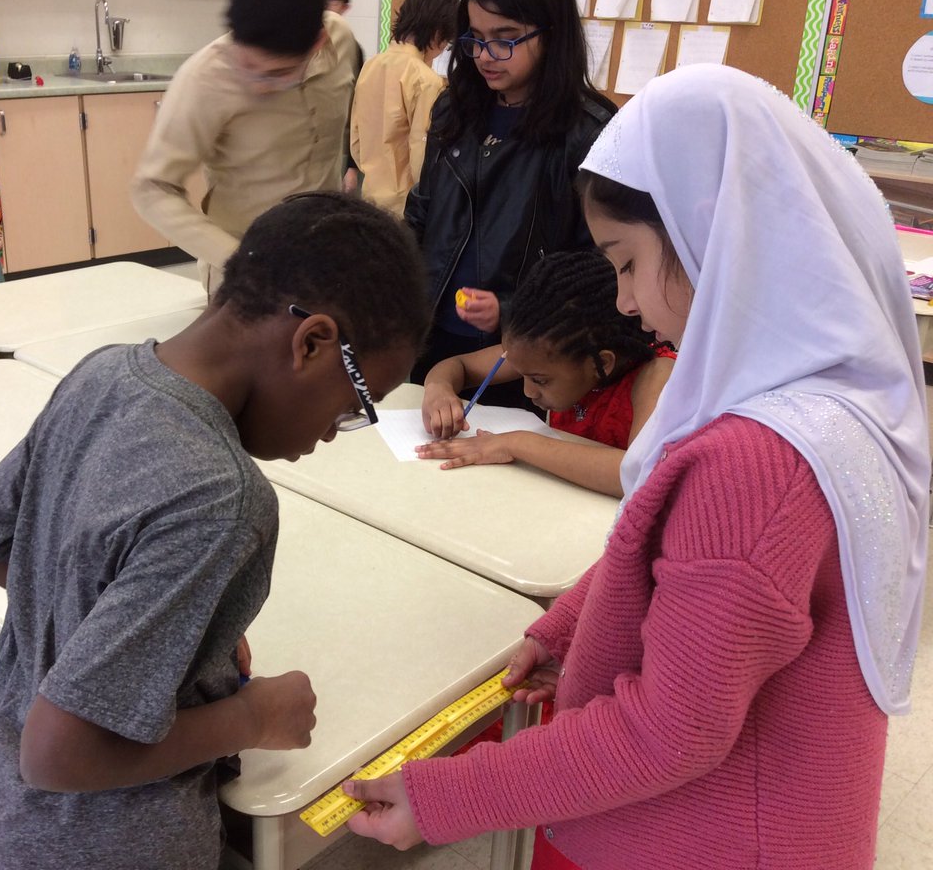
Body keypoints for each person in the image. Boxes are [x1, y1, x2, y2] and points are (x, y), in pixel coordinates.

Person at [343, 64, 929, 870]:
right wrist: (569, 627)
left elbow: (669, 731)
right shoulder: (833, 393)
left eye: (625, 263)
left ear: (709, 238)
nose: (622, 302)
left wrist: (446, 797)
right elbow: (685, 565)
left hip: (711, 840)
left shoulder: (755, 464)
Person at [0, 193, 430, 870]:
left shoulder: (102, 374)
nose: (332, 432)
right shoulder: (223, 496)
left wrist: (131, 629)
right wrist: (254, 718)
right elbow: (59, 753)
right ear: (312, 342)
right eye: (354, 406)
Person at [406, 0, 615, 404]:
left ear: (551, 33)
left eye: (505, 39)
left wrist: (510, 308)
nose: (486, 56)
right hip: (433, 333)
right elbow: (422, 213)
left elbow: (602, 268)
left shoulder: (588, 131)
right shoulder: (453, 108)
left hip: (524, 357)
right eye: (475, 38)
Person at [132, 0, 358, 296]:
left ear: (318, 42)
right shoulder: (204, 79)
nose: (257, 85)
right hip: (245, 270)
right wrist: (241, 260)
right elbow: (152, 188)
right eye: (247, 65)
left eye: (277, 73)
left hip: (322, 257)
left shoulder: (341, 42)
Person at [418, 250, 673, 496]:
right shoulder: (541, 355)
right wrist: (439, 389)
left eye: (539, 381)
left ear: (602, 364)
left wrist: (516, 443)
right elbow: (458, 366)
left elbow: (637, 472)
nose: (528, 392)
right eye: (524, 375)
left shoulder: (656, 375)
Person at [349, 0, 457, 217]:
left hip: (369, 198)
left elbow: (356, 141)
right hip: (404, 207)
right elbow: (422, 157)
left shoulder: (371, 66)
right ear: (439, 33)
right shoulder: (426, 81)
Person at [320, 0, 365, 195]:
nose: (324, 6)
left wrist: (352, 168)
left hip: (339, 155)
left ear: (345, 7)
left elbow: (358, 110)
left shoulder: (352, 49)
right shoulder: (296, 44)